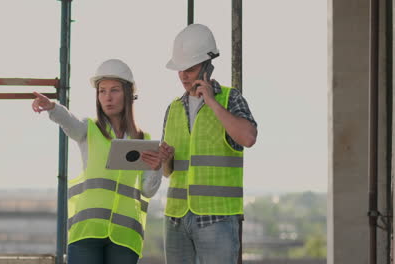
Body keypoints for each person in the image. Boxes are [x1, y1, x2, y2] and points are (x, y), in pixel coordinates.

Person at [32, 59, 163, 264]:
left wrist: (157, 168)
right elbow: (69, 122)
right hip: (87, 232)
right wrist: (52, 107)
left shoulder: (143, 139)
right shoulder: (88, 129)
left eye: (114, 90)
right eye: (102, 91)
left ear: (128, 94)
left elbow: (147, 190)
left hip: (125, 236)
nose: (107, 97)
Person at [158, 24, 258, 264]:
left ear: (207, 66)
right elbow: (168, 171)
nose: (183, 76)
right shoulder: (172, 108)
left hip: (217, 218)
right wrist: (164, 159)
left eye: (190, 69)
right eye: (180, 70)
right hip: (176, 219)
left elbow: (248, 138)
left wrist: (212, 102)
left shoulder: (230, 98)